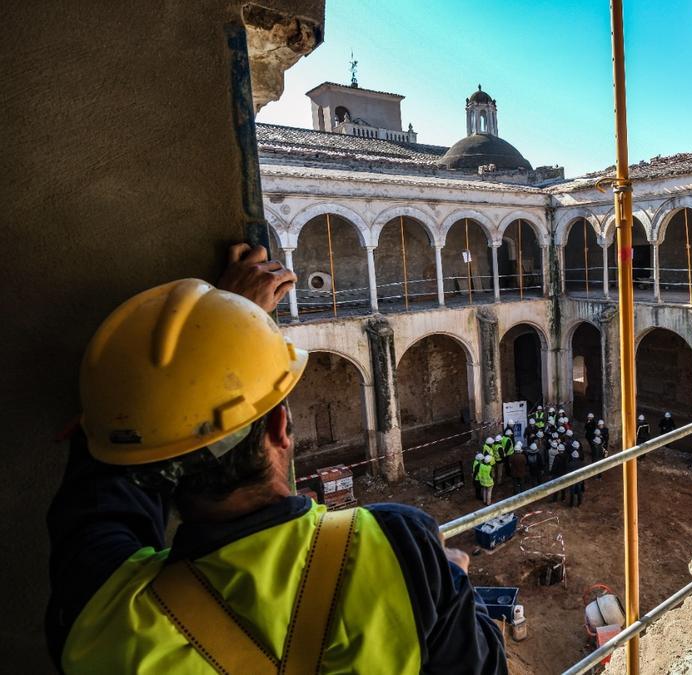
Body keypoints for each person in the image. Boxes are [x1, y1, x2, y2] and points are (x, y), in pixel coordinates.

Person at [45, 246, 505, 673]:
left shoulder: (102, 620)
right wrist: (450, 576)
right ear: (282, 426)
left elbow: (100, 497)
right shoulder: (399, 550)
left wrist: (216, 331)